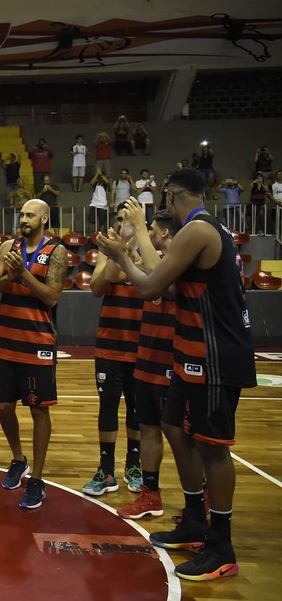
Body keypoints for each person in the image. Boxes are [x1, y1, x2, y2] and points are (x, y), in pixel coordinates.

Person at [97, 168, 256, 581]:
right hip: (192, 352)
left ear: (170, 197)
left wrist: (129, 244)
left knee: (213, 448)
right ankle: (193, 519)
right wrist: (127, 256)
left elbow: (150, 288)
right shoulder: (203, 231)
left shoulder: (199, 229)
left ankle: (220, 544)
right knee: (173, 427)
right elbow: (167, 289)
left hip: (216, 353)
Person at [0, 199, 67, 509]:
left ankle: (38, 479)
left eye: (31, 215)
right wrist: (9, 275)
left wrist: (23, 275)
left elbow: (52, 298)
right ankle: (19, 459)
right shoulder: (8, 246)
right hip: (6, 341)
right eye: (22, 215)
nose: (24, 219)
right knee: (4, 406)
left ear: (44, 218)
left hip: (37, 343)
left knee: (38, 410)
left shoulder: (56, 252)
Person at [117, 206, 179, 520]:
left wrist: (134, 240)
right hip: (148, 354)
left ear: (165, 232)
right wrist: (122, 252)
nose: (150, 234)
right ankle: (150, 495)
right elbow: (138, 276)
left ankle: (202, 496)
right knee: (149, 427)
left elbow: (156, 278)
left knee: (183, 434)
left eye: (152, 229)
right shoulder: (153, 259)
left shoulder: (180, 262)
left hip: (175, 358)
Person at [82, 207, 143, 499]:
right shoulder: (107, 252)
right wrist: (118, 253)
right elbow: (96, 288)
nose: (122, 225)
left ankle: (134, 466)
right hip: (111, 344)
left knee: (138, 409)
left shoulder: (152, 250)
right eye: (119, 220)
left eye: (127, 220)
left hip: (143, 345)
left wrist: (129, 251)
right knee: (107, 406)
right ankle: (106, 470)